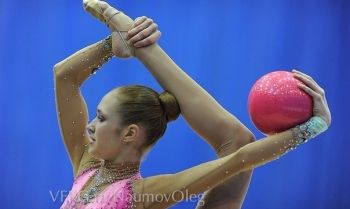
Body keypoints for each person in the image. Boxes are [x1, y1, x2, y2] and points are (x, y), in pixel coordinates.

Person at [54, 1, 331, 209]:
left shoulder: (138, 195)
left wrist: (315, 126)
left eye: (101, 119)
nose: (89, 126)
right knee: (235, 140)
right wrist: (111, 45)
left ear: (129, 133)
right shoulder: (86, 167)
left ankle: (144, 50)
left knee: (236, 142)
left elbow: (238, 158)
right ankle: (141, 47)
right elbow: (64, 77)